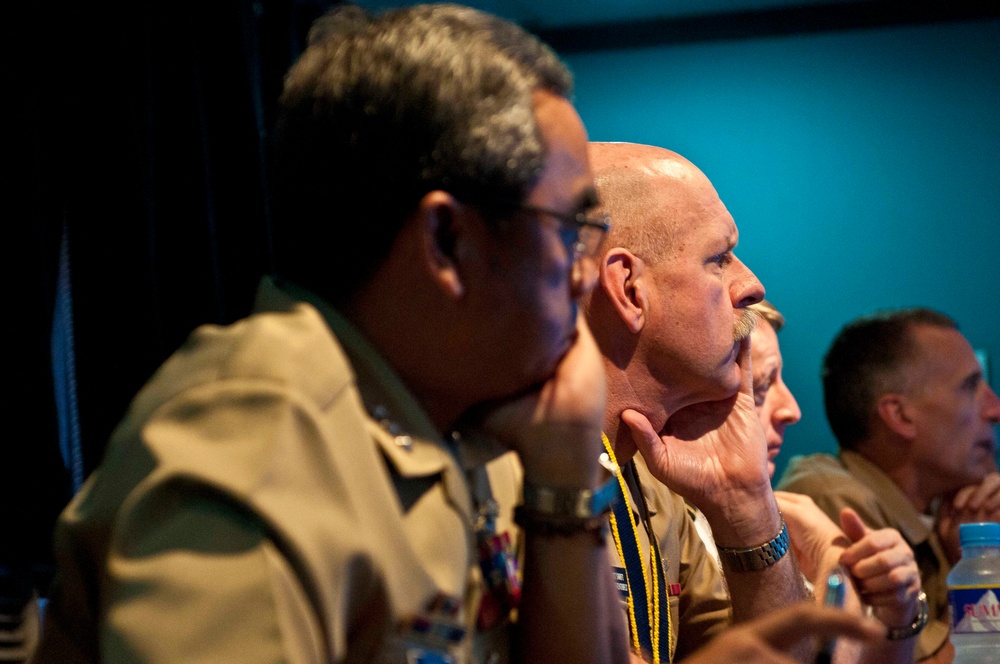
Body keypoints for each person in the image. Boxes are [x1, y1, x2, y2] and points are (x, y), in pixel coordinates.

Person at [31, 5, 885, 664]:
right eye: (567, 231)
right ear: (447, 245)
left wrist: (559, 481)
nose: (587, 274)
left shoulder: (476, 428)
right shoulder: (261, 438)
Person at [583, 142, 817, 662]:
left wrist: (747, 505)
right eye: (720, 259)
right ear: (629, 288)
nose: (752, 285)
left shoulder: (651, 487)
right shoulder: (514, 465)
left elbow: (776, 658)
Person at [777, 307, 1000, 662]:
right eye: (971, 387)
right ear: (899, 415)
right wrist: (978, 569)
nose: (995, 409)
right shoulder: (832, 499)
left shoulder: (946, 509)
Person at [746, 300, 925, 664]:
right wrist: (835, 570)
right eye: (760, 385)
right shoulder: (822, 497)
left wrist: (897, 615)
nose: (792, 409)